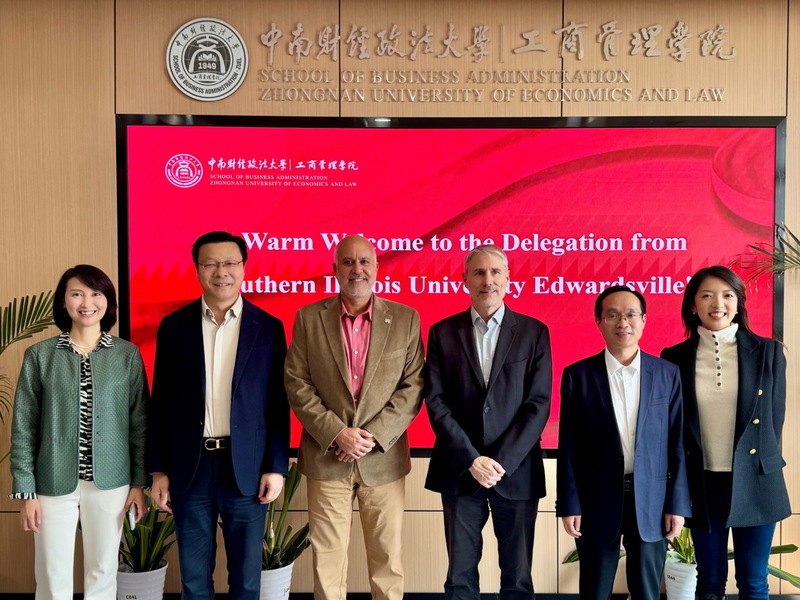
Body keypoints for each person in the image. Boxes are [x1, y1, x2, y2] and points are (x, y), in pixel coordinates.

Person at [147, 231, 289, 600]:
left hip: (247, 468)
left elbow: (278, 403)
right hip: (190, 467)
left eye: (229, 263)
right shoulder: (174, 327)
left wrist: (276, 466)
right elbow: (161, 402)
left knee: (246, 580)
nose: (220, 272)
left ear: (243, 267)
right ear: (197, 269)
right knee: (194, 581)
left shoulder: (268, 327)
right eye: (210, 264)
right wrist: (158, 469)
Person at [284, 234, 424, 600]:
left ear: (377, 267)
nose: (356, 269)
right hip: (327, 456)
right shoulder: (309, 318)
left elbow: (413, 387)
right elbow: (296, 382)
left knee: (388, 561)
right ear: (335, 270)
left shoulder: (406, 319)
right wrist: (337, 433)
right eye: (348, 262)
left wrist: (371, 435)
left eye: (364, 262)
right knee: (328, 563)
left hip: (383, 460)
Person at [10, 264, 148, 600]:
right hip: (51, 480)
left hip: (111, 481)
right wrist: (26, 491)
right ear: (64, 301)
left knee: (103, 570)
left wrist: (138, 484)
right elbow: (24, 427)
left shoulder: (127, 355)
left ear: (108, 301)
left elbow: (140, 425)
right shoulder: (39, 356)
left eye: (96, 293)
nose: (87, 303)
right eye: (77, 294)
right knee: (51, 573)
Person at [424, 245, 552, 600]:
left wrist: (499, 462)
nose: (488, 280)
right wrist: (471, 460)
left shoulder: (533, 332)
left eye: (496, 272)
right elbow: (436, 401)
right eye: (479, 272)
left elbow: (538, 404)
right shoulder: (442, 332)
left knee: (518, 579)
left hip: (516, 471)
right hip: (459, 469)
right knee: (459, 579)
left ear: (508, 278)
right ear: (465, 279)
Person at [660, 265, 790, 600]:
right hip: (702, 483)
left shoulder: (768, 352)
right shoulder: (674, 358)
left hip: (756, 479)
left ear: (738, 302)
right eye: (707, 295)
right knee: (709, 580)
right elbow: (673, 428)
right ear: (693, 305)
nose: (718, 304)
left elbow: (774, 421)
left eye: (727, 295)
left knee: (754, 581)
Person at [557, 285, 690, 600]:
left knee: (647, 592)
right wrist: (570, 504)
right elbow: (569, 447)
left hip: (652, 501)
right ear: (599, 322)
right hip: (596, 499)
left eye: (631, 315)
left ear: (643, 320)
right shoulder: (578, 375)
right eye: (613, 315)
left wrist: (677, 504)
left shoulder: (667, 373)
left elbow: (677, 444)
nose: (623, 323)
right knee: (594, 590)